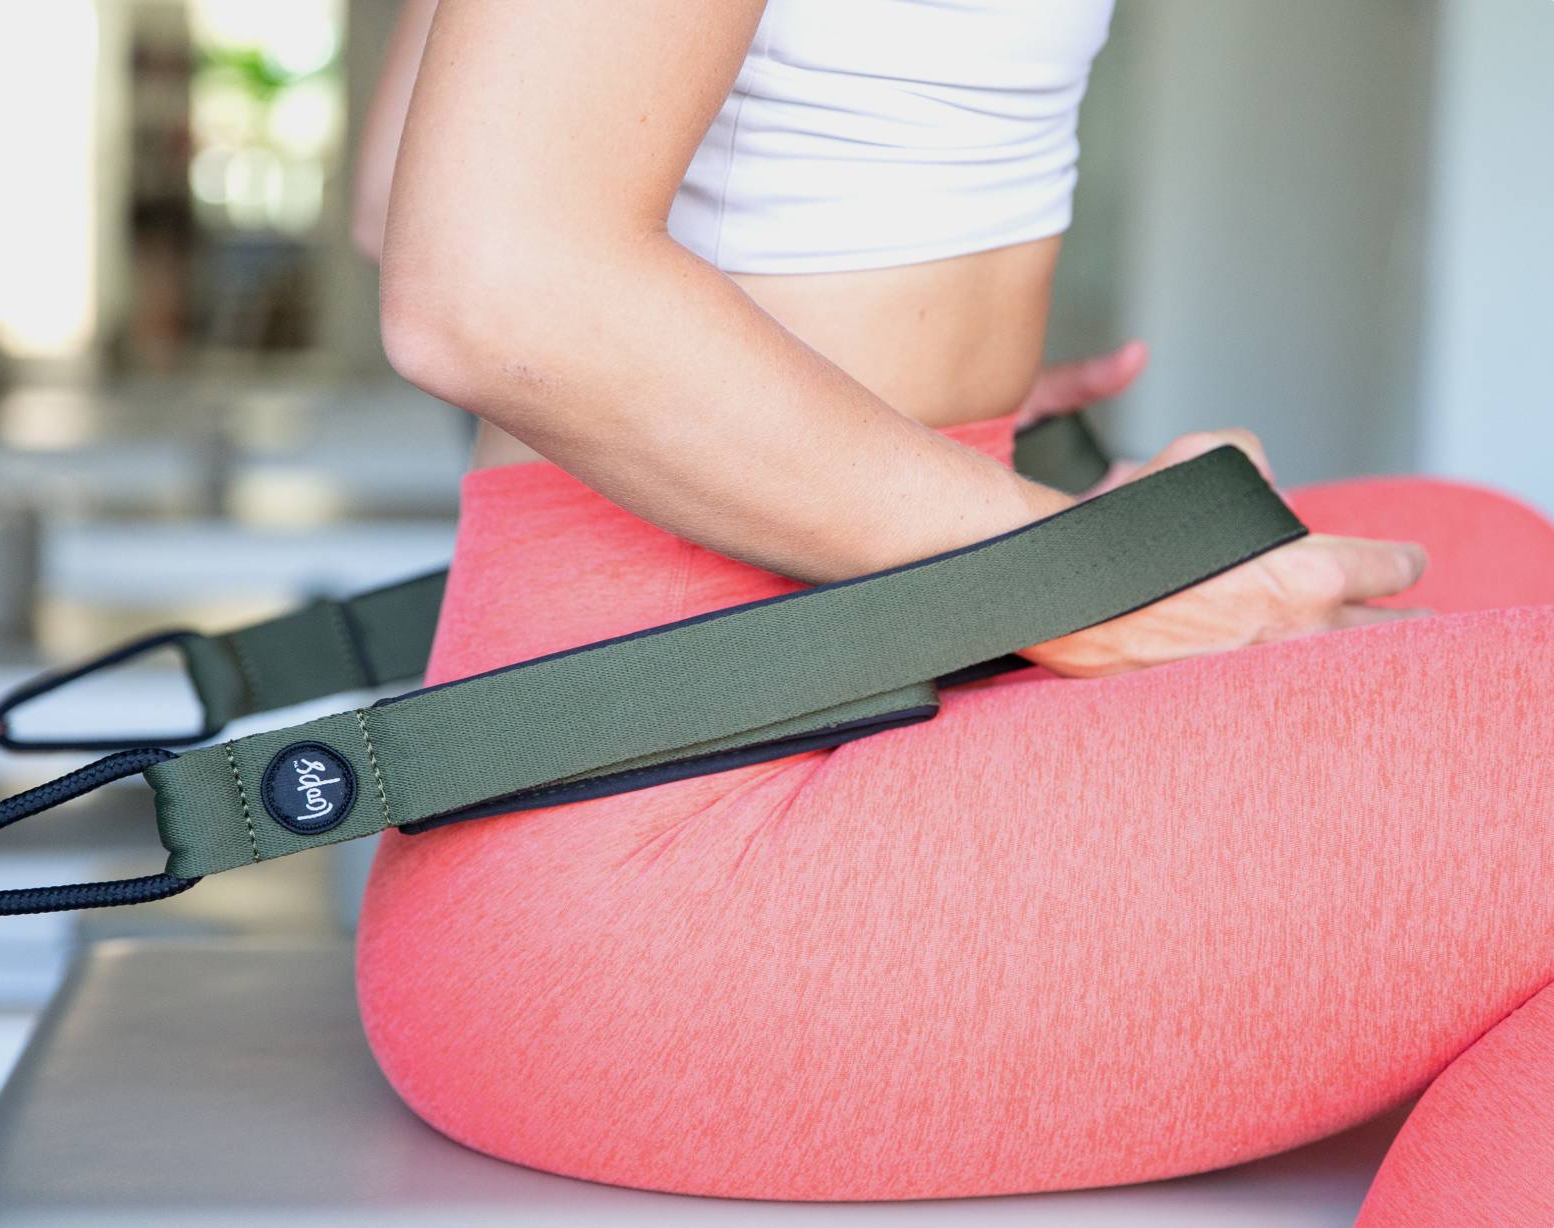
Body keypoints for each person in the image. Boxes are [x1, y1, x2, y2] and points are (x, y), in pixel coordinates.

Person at [348, 1, 1554, 1214]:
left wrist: (927, 420)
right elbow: (489, 283)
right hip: (645, 815)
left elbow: (403, 170)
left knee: (1485, 550)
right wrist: (1081, 587)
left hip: (887, 656)